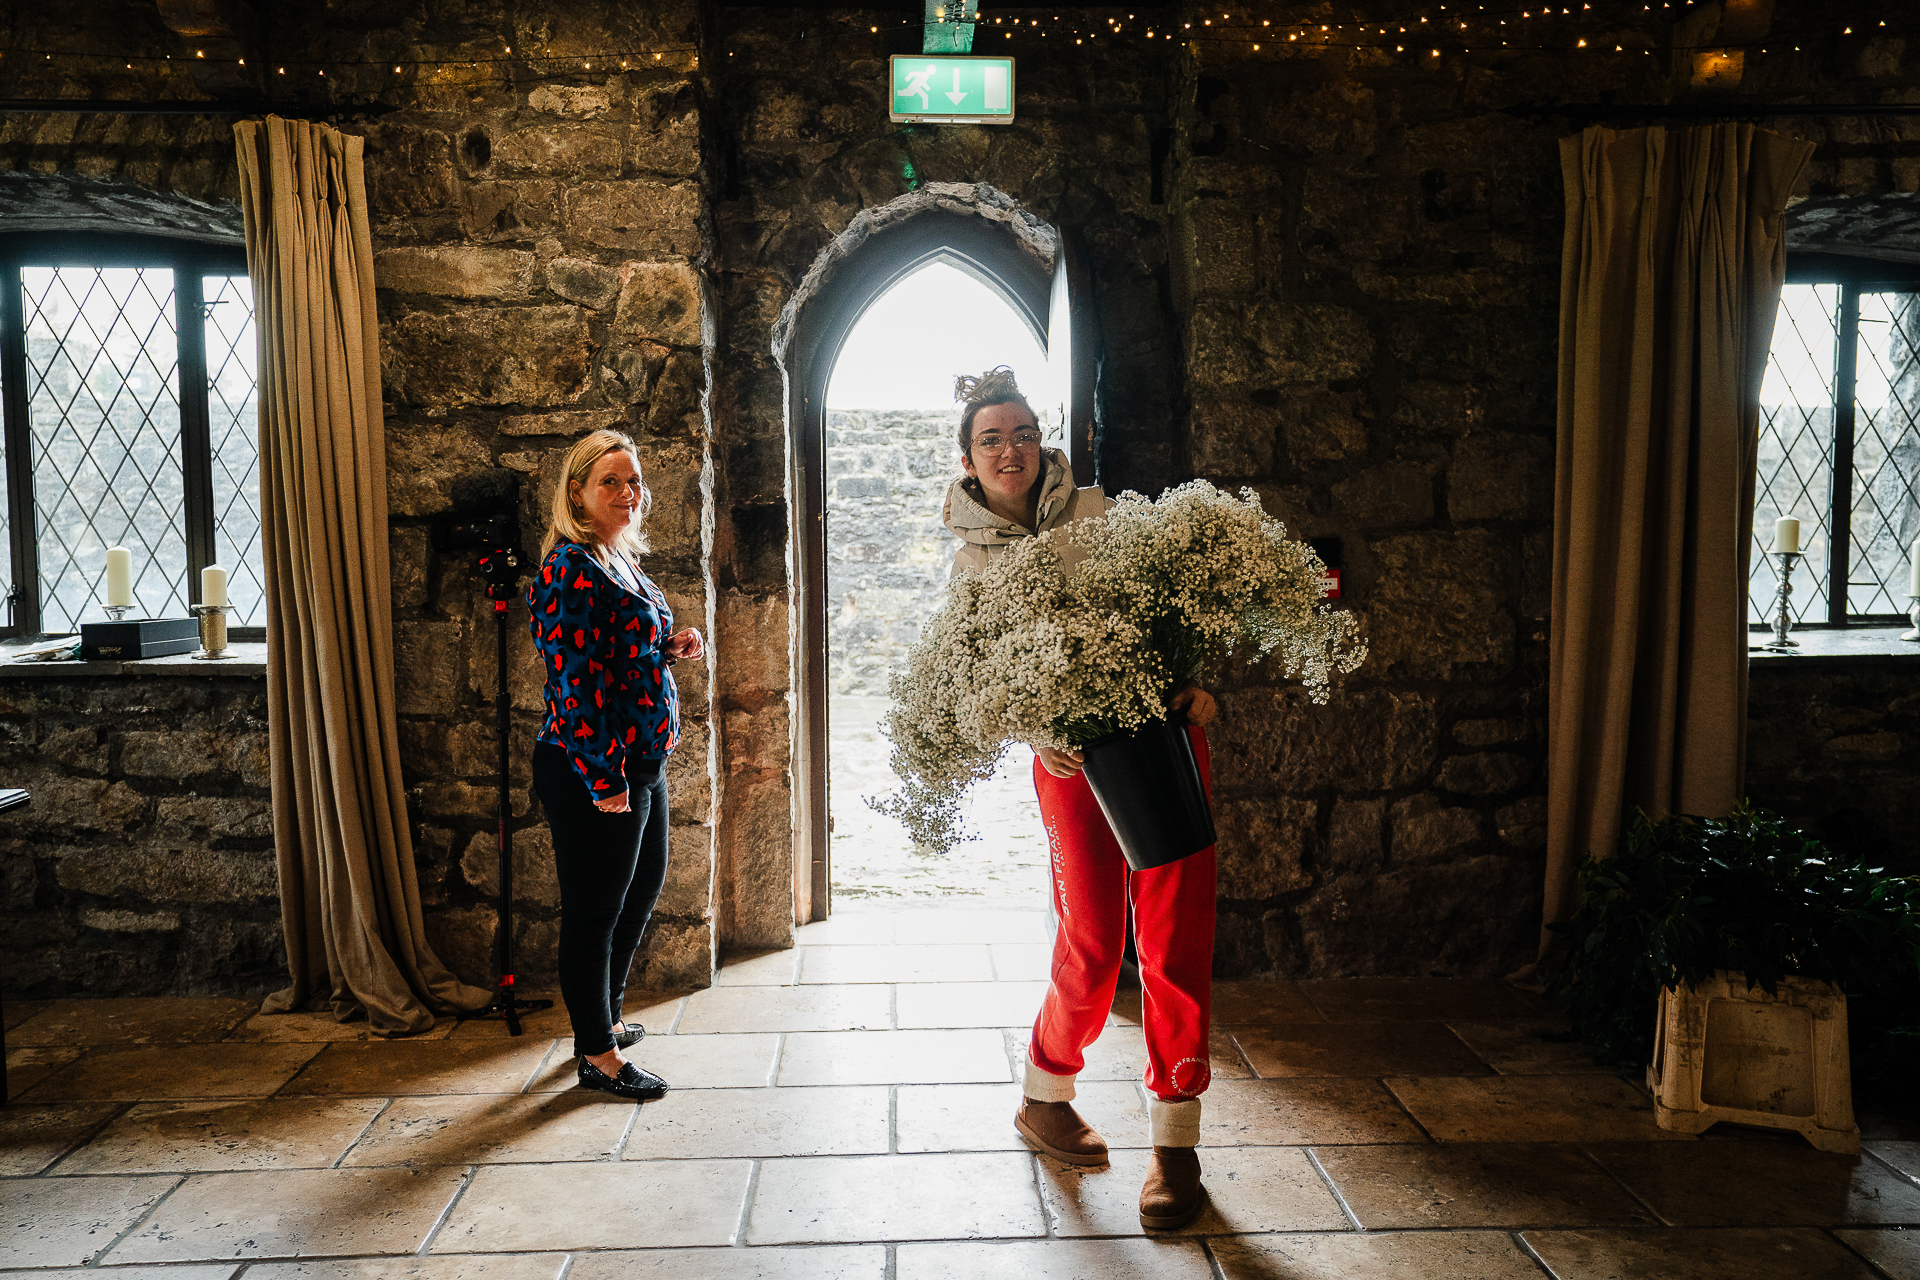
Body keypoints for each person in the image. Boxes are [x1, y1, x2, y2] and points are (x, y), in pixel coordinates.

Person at [941, 367, 1220, 1230]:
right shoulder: (968, 564)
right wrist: (1033, 726)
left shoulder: (1103, 513)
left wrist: (1194, 682)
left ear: (1043, 438)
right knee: (1096, 942)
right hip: (1069, 766)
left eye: (1023, 432)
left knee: (1174, 944)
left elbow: (1170, 607)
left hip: (1162, 741)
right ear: (967, 458)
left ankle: (1176, 1149)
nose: (1010, 449)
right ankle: (1045, 1094)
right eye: (991, 438)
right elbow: (976, 680)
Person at [529, 429, 703, 1100]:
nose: (629, 493)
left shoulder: (615, 557)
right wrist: (603, 782)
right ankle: (596, 1056)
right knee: (595, 911)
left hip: (641, 761)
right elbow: (576, 685)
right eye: (612, 482)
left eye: (633, 482)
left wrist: (672, 642)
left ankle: (605, 1016)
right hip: (592, 769)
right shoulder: (569, 568)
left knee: (640, 890)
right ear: (577, 492)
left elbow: (624, 650)